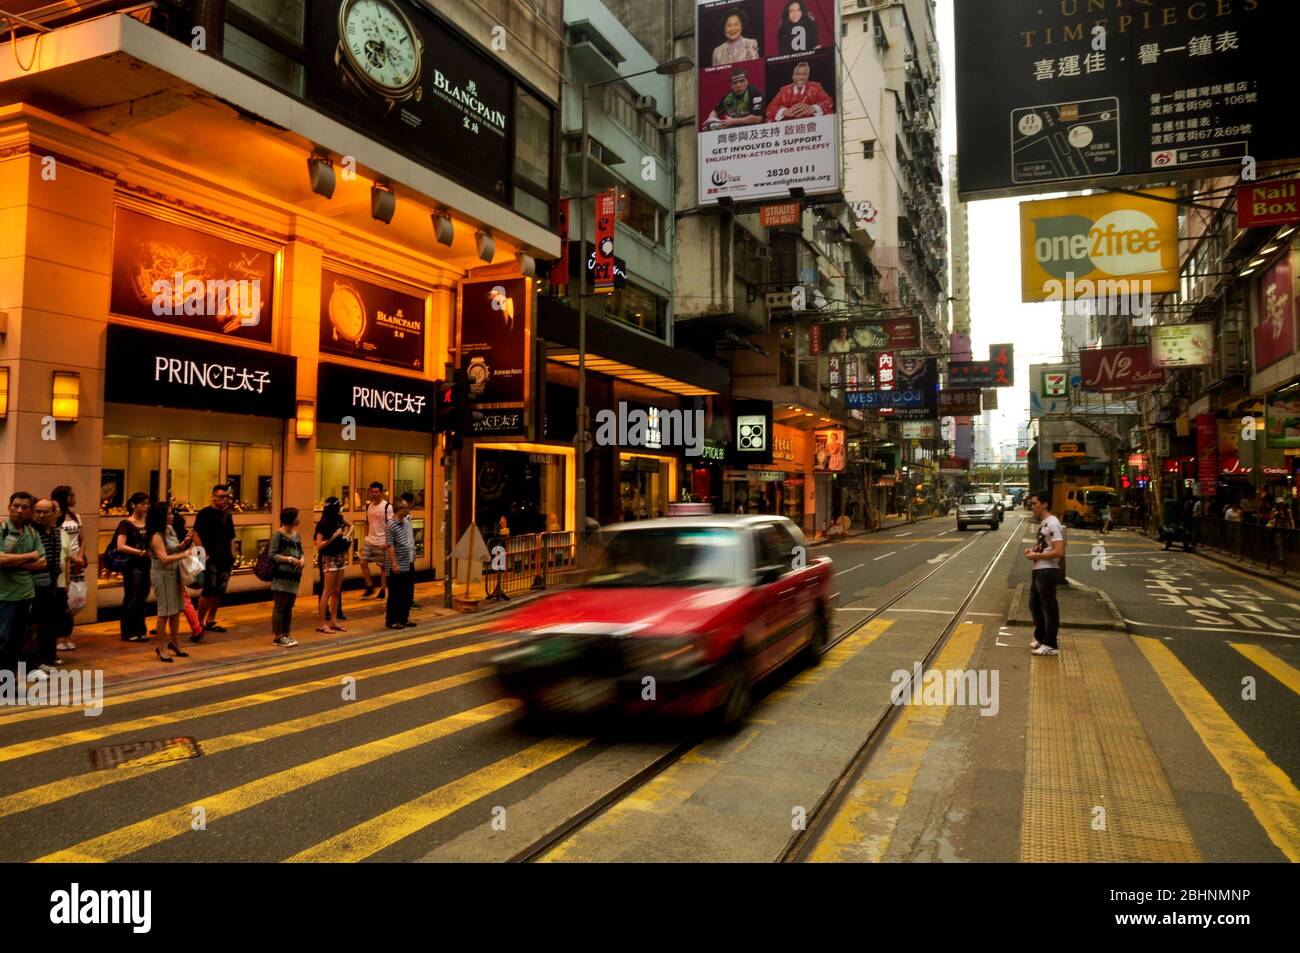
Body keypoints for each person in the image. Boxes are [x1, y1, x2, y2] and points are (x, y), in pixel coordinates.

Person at [0, 492, 47, 676]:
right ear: (9, 507)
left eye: (25, 507)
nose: (19, 510)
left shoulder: (31, 532)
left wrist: (14, 563)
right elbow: (1, 560)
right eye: (16, 506)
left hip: (26, 594)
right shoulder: (2, 530)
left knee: (17, 641)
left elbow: (42, 562)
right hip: (5, 595)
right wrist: (28, 557)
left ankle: (9, 684)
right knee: (2, 640)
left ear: (29, 511)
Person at [146, 501, 193, 663]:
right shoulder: (156, 535)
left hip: (174, 573)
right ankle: (161, 647)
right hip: (162, 574)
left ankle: (175, 643)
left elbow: (173, 549)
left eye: (172, 513)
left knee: (176, 610)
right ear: (160, 516)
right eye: (169, 514)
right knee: (164, 612)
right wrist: (185, 554)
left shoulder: (169, 529)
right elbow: (164, 558)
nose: (172, 516)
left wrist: (184, 544)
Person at [1024, 491, 1064, 657]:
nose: (1032, 507)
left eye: (1034, 503)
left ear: (1045, 504)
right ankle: (1041, 637)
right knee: (1035, 605)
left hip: (1047, 570)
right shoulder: (1045, 523)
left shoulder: (1053, 523)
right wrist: (1034, 550)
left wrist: (1037, 555)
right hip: (1040, 569)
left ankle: (1051, 643)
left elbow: (1059, 551)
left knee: (1049, 608)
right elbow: (1046, 546)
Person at [193, 484, 236, 634]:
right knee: (208, 589)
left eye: (227, 497)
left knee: (219, 589)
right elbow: (195, 534)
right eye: (222, 497)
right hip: (210, 556)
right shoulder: (205, 513)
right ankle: (199, 622)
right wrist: (202, 553)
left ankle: (211, 619)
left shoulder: (227, 514)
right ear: (214, 497)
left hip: (225, 557)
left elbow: (231, 536)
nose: (225, 500)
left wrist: (233, 554)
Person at [29, 499, 65, 674]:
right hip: (33, 584)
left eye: (45, 512)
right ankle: (36, 661)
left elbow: (58, 558)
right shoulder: (30, 532)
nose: (41, 515)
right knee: (35, 625)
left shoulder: (57, 532)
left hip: (52, 583)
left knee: (50, 622)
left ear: (54, 513)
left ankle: (48, 657)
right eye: (38, 511)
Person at [50, 486, 86, 652]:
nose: (74, 497)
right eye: (71, 494)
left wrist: (80, 557)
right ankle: (58, 637)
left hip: (77, 561)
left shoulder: (76, 516)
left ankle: (67, 636)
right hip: (63, 560)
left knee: (77, 599)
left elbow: (82, 538)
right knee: (63, 600)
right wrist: (71, 558)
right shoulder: (56, 517)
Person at [115, 492, 152, 643]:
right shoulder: (126, 523)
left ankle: (140, 630)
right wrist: (140, 552)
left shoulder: (148, 523)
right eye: (142, 504)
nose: (145, 507)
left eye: (147, 504)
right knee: (132, 597)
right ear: (133, 505)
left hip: (146, 564)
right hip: (132, 565)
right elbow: (120, 546)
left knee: (142, 598)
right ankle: (128, 631)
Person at [268, 507, 305, 647]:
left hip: (294, 576)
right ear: (290, 519)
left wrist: (302, 559)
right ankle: (278, 636)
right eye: (297, 516)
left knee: (289, 606)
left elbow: (301, 551)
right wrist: (289, 559)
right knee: (280, 606)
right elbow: (272, 555)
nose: (299, 519)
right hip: (282, 576)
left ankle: (286, 633)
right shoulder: (278, 535)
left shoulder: (297, 535)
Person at [314, 498, 351, 634]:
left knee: (337, 590)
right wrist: (333, 537)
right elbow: (319, 545)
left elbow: (351, 525)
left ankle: (333, 620)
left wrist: (347, 536)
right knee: (327, 591)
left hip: (340, 556)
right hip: (328, 558)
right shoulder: (322, 524)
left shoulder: (339, 519)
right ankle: (322, 623)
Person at [765, 60, 834, 123]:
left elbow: (829, 101)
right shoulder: (784, 90)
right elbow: (769, 108)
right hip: (789, 126)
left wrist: (813, 108)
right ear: (793, 76)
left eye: (804, 74)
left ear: (808, 75)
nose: (801, 77)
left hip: (812, 124)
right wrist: (784, 111)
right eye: (797, 74)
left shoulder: (816, 87)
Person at [384, 498, 416, 630]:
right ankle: (392, 620)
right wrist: (394, 563)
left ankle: (404, 618)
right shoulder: (391, 525)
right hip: (397, 565)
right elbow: (390, 545)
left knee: (407, 593)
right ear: (398, 509)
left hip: (408, 562)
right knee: (396, 594)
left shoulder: (405, 522)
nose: (408, 509)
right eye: (405, 507)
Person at [359, 482, 392, 600]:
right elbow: (367, 522)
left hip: (382, 540)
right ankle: (370, 586)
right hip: (370, 539)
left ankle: (383, 589)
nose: (375, 494)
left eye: (377, 492)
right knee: (363, 562)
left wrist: (387, 542)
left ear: (381, 492)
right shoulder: (369, 506)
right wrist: (366, 536)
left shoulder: (387, 507)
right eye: (372, 492)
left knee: (382, 567)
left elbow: (390, 525)